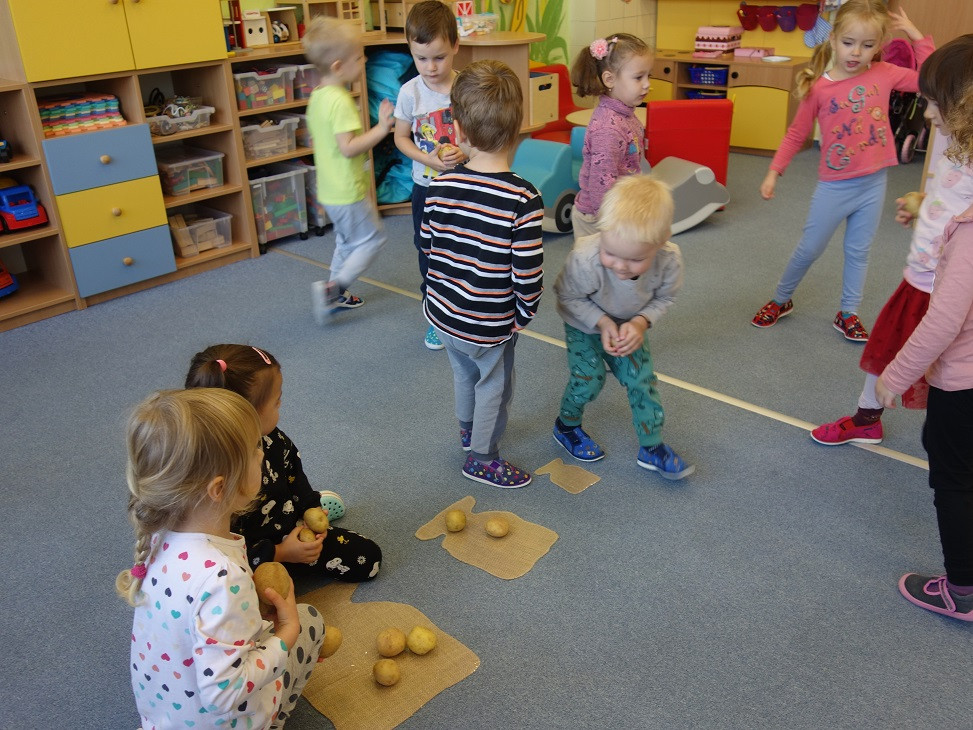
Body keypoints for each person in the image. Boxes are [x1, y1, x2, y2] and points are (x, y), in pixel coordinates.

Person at [117, 388, 324, 728]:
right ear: (218, 488)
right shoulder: (221, 577)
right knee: (310, 622)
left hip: (167, 717)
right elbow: (225, 694)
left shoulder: (160, 536)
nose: (263, 452)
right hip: (223, 717)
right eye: (255, 448)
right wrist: (287, 631)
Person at [751, 0, 932, 342]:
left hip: (873, 184)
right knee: (809, 249)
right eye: (849, 43)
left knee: (858, 252)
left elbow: (928, 80)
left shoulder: (885, 73)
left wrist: (915, 35)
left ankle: (848, 312)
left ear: (878, 46)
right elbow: (796, 134)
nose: (856, 53)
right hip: (834, 187)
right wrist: (775, 171)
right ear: (833, 39)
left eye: (867, 45)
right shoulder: (820, 88)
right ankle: (781, 299)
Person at [874, 35, 973, 622]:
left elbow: (944, 319)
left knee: (953, 476)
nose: (927, 113)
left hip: (963, 383)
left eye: (935, 103)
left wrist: (895, 374)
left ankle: (962, 590)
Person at [420, 60, 544, 489]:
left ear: (458, 130)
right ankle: (482, 458)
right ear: (518, 128)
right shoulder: (523, 199)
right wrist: (523, 314)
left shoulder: (439, 185)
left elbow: (428, 247)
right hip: (489, 323)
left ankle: (468, 431)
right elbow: (527, 271)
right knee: (494, 386)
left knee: (463, 374)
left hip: (443, 314)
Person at [811, 141, 973, 445]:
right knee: (886, 348)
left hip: (944, 285)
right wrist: (925, 206)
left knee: (947, 363)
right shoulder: (954, 146)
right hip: (918, 276)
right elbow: (954, 201)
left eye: (935, 113)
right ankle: (867, 419)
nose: (929, 118)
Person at [186, 344, 382, 582]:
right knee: (246, 593)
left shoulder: (272, 439)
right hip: (250, 557)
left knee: (368, 559)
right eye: (276, 402)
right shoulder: (215, 481)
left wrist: (310, 508)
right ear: (248, 416)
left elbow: (294, 474)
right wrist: (280, 553)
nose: (280, 406)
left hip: (289, 525)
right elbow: (222, 551)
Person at [553, 175, 693, 480]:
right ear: (601, 232)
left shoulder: (669, 260)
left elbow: (665, 298)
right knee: (589, 379)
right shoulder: (585, 258)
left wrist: (640, 322)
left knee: (641, 380)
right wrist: (602, 322)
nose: (620, 266)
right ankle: (567, 425)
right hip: (584, 323)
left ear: (662, 240)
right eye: (611, 254)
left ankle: (651, 446)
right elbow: (567, 297)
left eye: (635, 259)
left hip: (629, 325)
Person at [303, 16, 395, 324]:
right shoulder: (340, 101)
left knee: (346, 241)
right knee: (372, 240)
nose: (364, 60)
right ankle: (333, 289)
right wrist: (382, 128)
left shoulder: (318, 96)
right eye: (359, 57)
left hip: (330, 189)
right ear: (338, 66)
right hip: (347, 191)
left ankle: (334, 293)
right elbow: (349, 147)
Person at [393, 0, 465, 351]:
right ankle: (436, 315)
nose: (431, 67)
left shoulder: (465, 87)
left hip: (464, 185)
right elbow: (400, 137)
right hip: (427, 187)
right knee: (429, 250)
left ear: (455, 46)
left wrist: (466, 152)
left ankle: (462, 307)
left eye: (439, 57)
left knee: (463, 249)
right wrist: (427, 160)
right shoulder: (410, 92)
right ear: (411, 51)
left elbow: (478, 133)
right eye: (421, 58)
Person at [569, 32, 654, 239]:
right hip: (600, 218)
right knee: (597, 261)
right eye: (638, 77)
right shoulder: (608, 129)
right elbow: (601, 183)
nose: (647, 84)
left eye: (648, 76)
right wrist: (610, 226)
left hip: (620, 209)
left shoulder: (626, 114)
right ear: (609, 79)